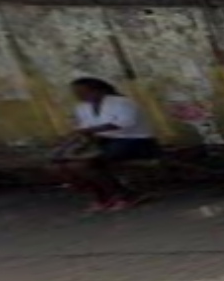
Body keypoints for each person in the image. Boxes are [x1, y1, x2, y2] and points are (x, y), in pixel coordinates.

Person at [52, 77, 160, 212]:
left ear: (99, 91)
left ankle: (126, 195)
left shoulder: (122, 102)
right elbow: (83, 129)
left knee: (86, 164)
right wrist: (66, 144)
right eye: (77, 93)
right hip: (104, 141)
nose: (80, 96)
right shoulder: (82, 107)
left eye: (83, 92)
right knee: (62, 166)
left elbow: (125, 122)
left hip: (134, 141)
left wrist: (90, 130)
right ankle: (102, 196)